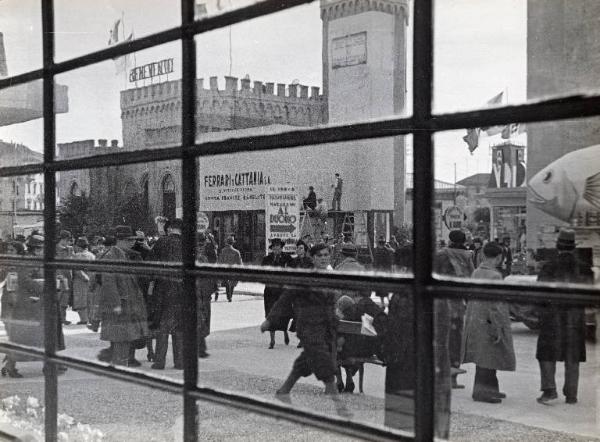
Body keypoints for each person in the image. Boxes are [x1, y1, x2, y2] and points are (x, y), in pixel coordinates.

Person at [260, 243, 338, 395]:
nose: (323, 258)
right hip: (308, 325)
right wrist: (270, 320)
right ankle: (331, 385)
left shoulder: (332, 277)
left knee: (307, 359)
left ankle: (286, 388)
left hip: (325, 326)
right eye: (319, 256)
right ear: (313, 258)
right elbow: (285, 298)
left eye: (326, 255)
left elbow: (332, 303)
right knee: (319, 352)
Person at [536, 228, 593, 405]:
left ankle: (549, 390)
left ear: (557, 246)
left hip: (552, 317)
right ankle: (571, 394)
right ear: (574, 247)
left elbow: (540, 293)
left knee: (546, 354)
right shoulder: (585, 269)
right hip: (575, 318)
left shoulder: (549, 266)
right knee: (572, 355)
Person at [1, 235, 66, 377]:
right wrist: (45, 285)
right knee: (31, 338)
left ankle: (47, 365)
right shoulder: (29, 261)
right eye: (42, 248)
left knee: (33, 338)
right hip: (32, 305)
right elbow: (24, 280)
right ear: (36, 249)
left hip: (38, 304)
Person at [462, 242, 516, 403]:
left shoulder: (477, 272)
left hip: (476, 320)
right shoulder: (495, 276)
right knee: (489, 357)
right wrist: (498, 327)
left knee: (484, 356)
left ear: (483, 255)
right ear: (499, 257)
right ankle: (482, 392)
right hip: (490, 321)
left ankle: (491, 389)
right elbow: (497, 305)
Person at [92, 235, 149, 366]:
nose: (132, 242)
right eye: (128, 240)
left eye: (133, 240)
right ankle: (120, 366)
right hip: (120, 305)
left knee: (124, 338)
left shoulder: (122, 254)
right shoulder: (111, 256)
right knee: (120, 338)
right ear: (120, 240)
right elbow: (109, 283)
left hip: (127, 303)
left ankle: (121, 364)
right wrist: (115, 305)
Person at [434, 229, 474, 389]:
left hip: (441, 302)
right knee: (456, 341)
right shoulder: (468, 257)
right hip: (458, 304)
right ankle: (453, 379)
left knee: (441, 340)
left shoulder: (441, 254)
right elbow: (471, 279)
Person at [148, 219, 184, 369]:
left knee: (163, 326)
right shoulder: (188, 244)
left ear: (169, 229)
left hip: (163, 289)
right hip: (183, 290)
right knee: (180, 327)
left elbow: (151, 267)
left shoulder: (161, 243)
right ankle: (180, 362)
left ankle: (159, 361)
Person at [261, 238, 292, 348]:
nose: (276, 248)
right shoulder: (267, 259)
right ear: (272, 248)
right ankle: (272, 340)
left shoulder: (287, 258)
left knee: (284, 314)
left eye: (278, 246)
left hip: (282, 291)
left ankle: (285, 332)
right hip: (270, 291)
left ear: (281, 247)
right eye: (274, 246)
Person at [72, 237, 95, 325]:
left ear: (78, 246)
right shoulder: (92, 255)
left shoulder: (77, 256)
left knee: (80, 300)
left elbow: (76, 270)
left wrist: (84, 277)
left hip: (80, 281)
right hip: (91, 280)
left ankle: (84, 319)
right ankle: (90, 318)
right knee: (89, 300)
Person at [56, 230, 74, 325]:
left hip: (68, 276)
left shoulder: (70, 249)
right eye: (67, 240)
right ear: (62, 239)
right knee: (58, 297)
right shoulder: (55, 249)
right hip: (59, 276)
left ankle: (63, 318)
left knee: (65, 299)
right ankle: (57, 318)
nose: (68, 242)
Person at [217, 236, 242, 302]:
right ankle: (230, 296)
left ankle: (229, 296)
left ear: (227, 242)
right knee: (232, 283)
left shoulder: (223, 251)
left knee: (227, 283)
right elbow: (239, 262)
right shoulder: (236, 252)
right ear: (233, 243)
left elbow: (220, 261)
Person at [372, 236, 394, 304]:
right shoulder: (387, 250)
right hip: (384, 271)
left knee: (382, 288)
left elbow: (375, 263)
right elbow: (390, 262)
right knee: (384, 288)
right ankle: (386, 301)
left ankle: (383, 302)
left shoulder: (376, 250)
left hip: (381, 271)